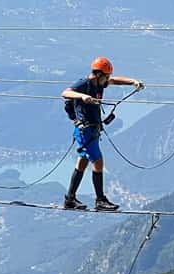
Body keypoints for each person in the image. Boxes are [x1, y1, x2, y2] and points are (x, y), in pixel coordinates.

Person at [61, 57, 144, 211]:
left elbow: (114, 81)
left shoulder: (100, 83)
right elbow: (65, 92)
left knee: (83, 162)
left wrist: (132, 82)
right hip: (85, 130)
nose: (108, 80)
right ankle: (100, 200)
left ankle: (70, 199)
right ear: (98, 75)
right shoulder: (84, 84)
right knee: (98, 162)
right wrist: (82, 96)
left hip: (92, 130)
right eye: (106, 76)